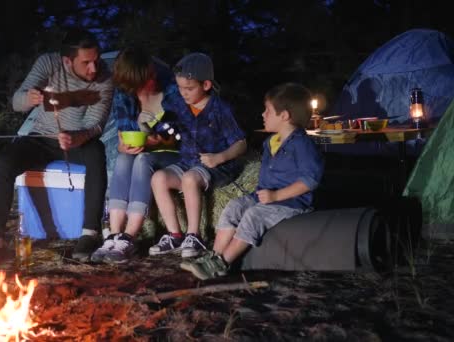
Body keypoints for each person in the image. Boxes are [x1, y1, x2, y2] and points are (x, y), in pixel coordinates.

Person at [0, 28, 114, 267]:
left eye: (96, 60)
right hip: (41, 137)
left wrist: (76, 137)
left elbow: (96, 125)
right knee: (6, 160)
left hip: (77, 140)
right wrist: (28, 99)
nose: (94, 68)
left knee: (96, 153)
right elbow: (16, 101)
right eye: (86, 63)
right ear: (67, 60)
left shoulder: (104, 78)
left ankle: (89, 233)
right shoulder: (48, 64)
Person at [180, 82, 325, 280]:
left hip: (290, 203)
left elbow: (310, 180)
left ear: (284, 116)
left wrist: (276, 195)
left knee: (253, 216)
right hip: (263, 197)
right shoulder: (270, 143)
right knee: (234, 206)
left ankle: (223, 263)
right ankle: (213, 257)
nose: (263, 114)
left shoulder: (302, 144)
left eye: (268, 111)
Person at [149, 52, 247, 259]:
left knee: (190, 178)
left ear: (206, 85)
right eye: (180, 88)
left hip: (215, 166)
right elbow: (165, 128)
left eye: (189, 88)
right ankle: (175, 234)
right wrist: (157, 134)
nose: (184, 93)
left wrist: (219, 157)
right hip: (187, 161)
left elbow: (241, 144)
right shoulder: (178, 106)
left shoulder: (220, 109)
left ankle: (194, 235)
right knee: (158, 178)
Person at [90, 47, 180, 264]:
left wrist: (159, 139)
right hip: (146, 148)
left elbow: (182, 136)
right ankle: (114, 235)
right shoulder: (125, 91)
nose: (142, 89)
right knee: (123, 158)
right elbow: (123, 129)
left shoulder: (172, 89)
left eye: (145, 81)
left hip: (171, 153)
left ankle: (129, 237)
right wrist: (124, 145)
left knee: (142, 159)